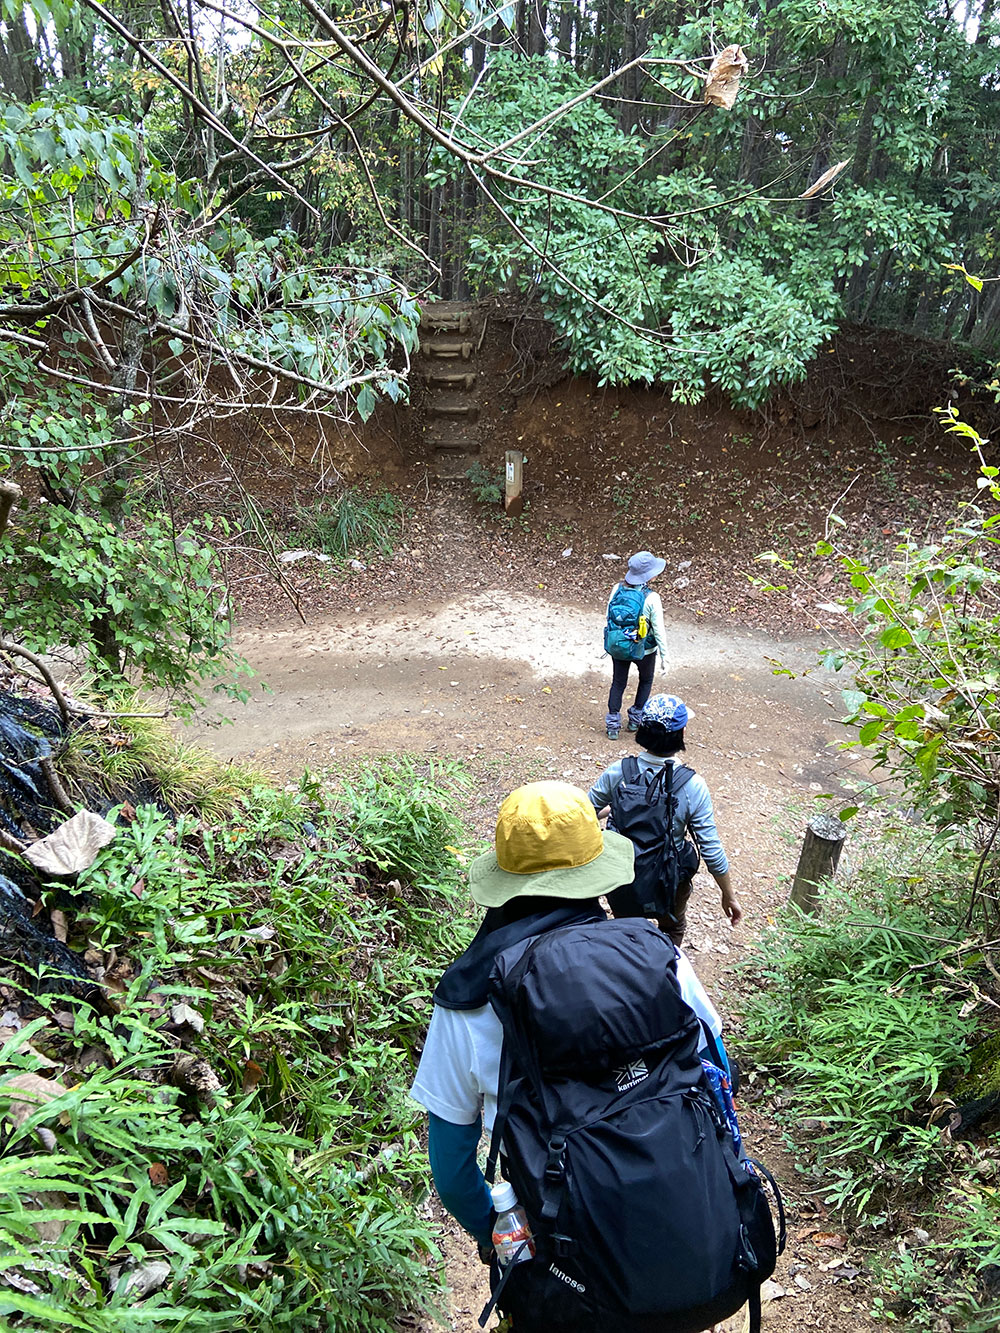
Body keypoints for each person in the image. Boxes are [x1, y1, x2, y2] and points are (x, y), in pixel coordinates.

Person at [409, 780, 733, 1252]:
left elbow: (453, 1172)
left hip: (563, 1244)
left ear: (504, 878)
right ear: (599, 870)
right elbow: (718, 1074)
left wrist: (498, 1240)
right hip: (686, 1222)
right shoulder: (658, 959)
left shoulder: (469, 1000)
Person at [588, 693, 742, 945]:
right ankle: (664, 971)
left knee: (625, 927)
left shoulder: (618, 772)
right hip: (669, 876)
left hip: (622, 873)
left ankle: (627, 966)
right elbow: (710, 849)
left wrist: (612, 810)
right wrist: (728, 895)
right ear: (680, 734)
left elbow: (583, 812)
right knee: (673, 926)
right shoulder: (693, 785)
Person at [604, 550, 668, 740]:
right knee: (646, 680)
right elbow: (659, 630)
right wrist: (665, 657)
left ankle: (613, 726)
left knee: (618, 682)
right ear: (648, 575)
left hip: (620, 646)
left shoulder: (617, 589)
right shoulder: (652, 597)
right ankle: (635, 720)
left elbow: (609, 617)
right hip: (645, 649)